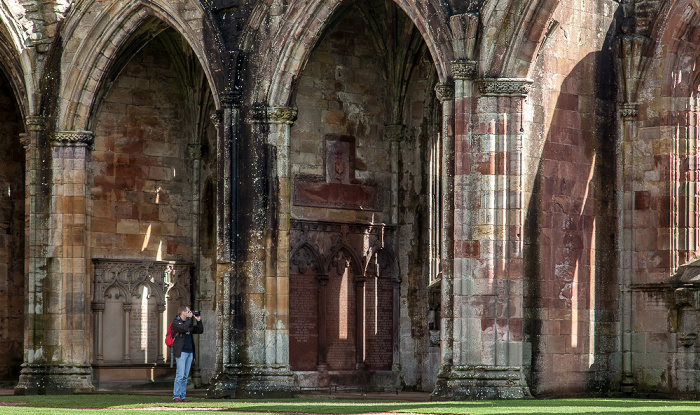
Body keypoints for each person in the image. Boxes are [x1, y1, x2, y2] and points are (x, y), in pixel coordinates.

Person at [171, 305, 203, 403]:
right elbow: (184, 328)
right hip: (181, 352)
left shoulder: (188, 323)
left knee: (185, 376)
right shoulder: (176, 322)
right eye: (189, 312)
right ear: (183, 312)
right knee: (180, 375)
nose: (190, 313)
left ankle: (182, 396)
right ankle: (176, 396)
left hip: (189, 352)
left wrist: (198, 320)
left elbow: (200, 330)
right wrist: (189, 318)